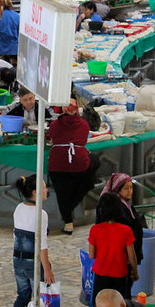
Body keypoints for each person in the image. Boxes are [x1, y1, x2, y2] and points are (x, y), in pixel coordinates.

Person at [48, 99, 96, 235]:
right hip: (79, 164)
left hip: (57, 165)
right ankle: (70, 210)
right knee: (90, 172)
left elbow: (52, 137)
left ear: (63, 109)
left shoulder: (55, 125)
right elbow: (83, 140)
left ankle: (68, 222)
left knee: (62, 194)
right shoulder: (84, 125)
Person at [96, 173, 144, 295]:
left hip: (104, 268)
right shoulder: (121, 212)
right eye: (126, 188)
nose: (129, 191)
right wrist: (134, 269)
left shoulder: (125, 206)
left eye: (131, 188)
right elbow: (130, 250)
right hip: (120, 266)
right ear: (117, 190)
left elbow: (92, 253)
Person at [12, 175, 55, 307]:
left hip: (17, 260)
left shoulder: (18, 208)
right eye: (43, 187)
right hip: (33, 262)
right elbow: (42, 244)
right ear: (35, 192)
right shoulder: (41, 214)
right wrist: (47, 269)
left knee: (23, 295)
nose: (46, 190)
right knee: (40, 298)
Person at [90, 192, 139, 303]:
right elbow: (132, 256)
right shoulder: (126, 230)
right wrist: (135, 272)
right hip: (120, 273)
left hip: (100, 273)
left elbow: (92, 255)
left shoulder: (95, 229)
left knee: (100, 302)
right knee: (120, 302)